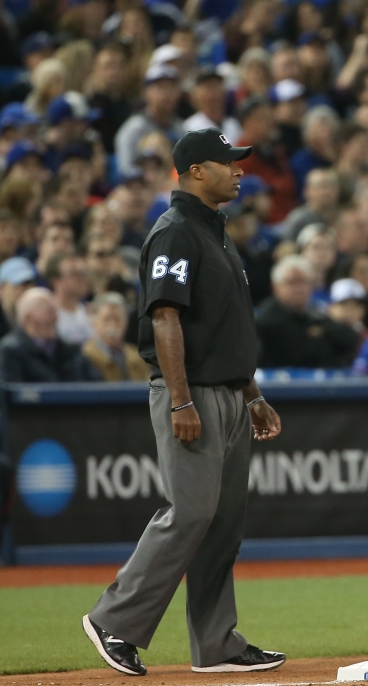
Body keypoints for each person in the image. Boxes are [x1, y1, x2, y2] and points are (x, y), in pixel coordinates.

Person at [84, 129, 285, 677]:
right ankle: (115, 620)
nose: (240, 170)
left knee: (222, 523)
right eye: (229, 162)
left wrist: (252, 394)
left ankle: (217, 643)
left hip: (230, 394)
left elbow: (225, 329)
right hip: (190, 393)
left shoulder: (216, 233)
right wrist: (179, 401)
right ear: (197, 170)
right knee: (190, 512)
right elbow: (164, 316)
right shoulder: (174, 233)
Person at [254, 255, 361, 369]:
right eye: (291, 282)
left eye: (303, 282)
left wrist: (323, 330)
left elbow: (350, 340)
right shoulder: (265, 319)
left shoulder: (315, 313)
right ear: (275, 288)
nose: (298, 288)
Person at [0, 287, 99, 382]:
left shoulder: (71, 352)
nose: (55, 318)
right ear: (28, 319)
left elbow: (93, 386)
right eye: (49, 312)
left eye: (55, 312)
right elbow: (10, 392)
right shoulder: (10, 352)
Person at [81, 291, 150, 381]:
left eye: (117, 319)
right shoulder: (86, 356)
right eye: (107, 319)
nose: (112, 325)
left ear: (125, 323)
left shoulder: (137, 357)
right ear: (95, 322)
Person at [45, 252, 92, 345]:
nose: (82, 279)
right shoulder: (48, 316)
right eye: (75, 274)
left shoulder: (88, 313)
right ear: (56, 281)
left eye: (83, 273)